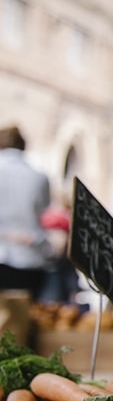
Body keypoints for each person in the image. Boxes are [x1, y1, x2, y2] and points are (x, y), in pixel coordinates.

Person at [0, 125, 51, 299]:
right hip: (30, 255)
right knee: (21, 320)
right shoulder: (39, 176)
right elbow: (44, 212)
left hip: (5, 252)